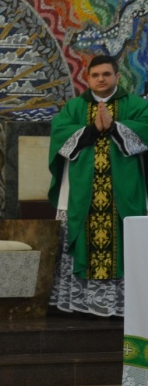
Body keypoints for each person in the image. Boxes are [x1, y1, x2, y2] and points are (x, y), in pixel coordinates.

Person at [48, 55, 148, 317]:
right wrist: (92, 129)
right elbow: (60, 133)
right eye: (95, 75)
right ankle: (83, 304)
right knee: (83, 236)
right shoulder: (75, 107)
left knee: (123, 238)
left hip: (124, 190)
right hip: (83, 190)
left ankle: (125, 304)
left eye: (106, 74)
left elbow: (146, 128)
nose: (101, 79)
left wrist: (115, 127)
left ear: (117, 76)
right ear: (87, 78)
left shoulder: (135, 105)